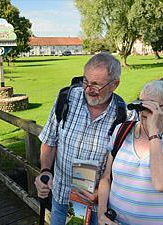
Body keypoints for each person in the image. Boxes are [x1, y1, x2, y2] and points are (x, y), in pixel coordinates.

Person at [35, 52, 135, 225]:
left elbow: (126, 169)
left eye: (96, 84)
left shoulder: (124, 117)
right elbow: (49, 142)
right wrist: (45, 171)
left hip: (97, 208)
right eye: (86, 81)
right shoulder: (66, 99)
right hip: (61, 198)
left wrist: (101, 193)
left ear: (115, 84)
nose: (88, 89)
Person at [98, 80, 163, 225]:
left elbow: (162, 183)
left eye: (151, 106)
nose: (143, 110)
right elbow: (106, 178)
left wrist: (153, 133)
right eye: (141, 103)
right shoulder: (121, 131)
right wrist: (102, 212)